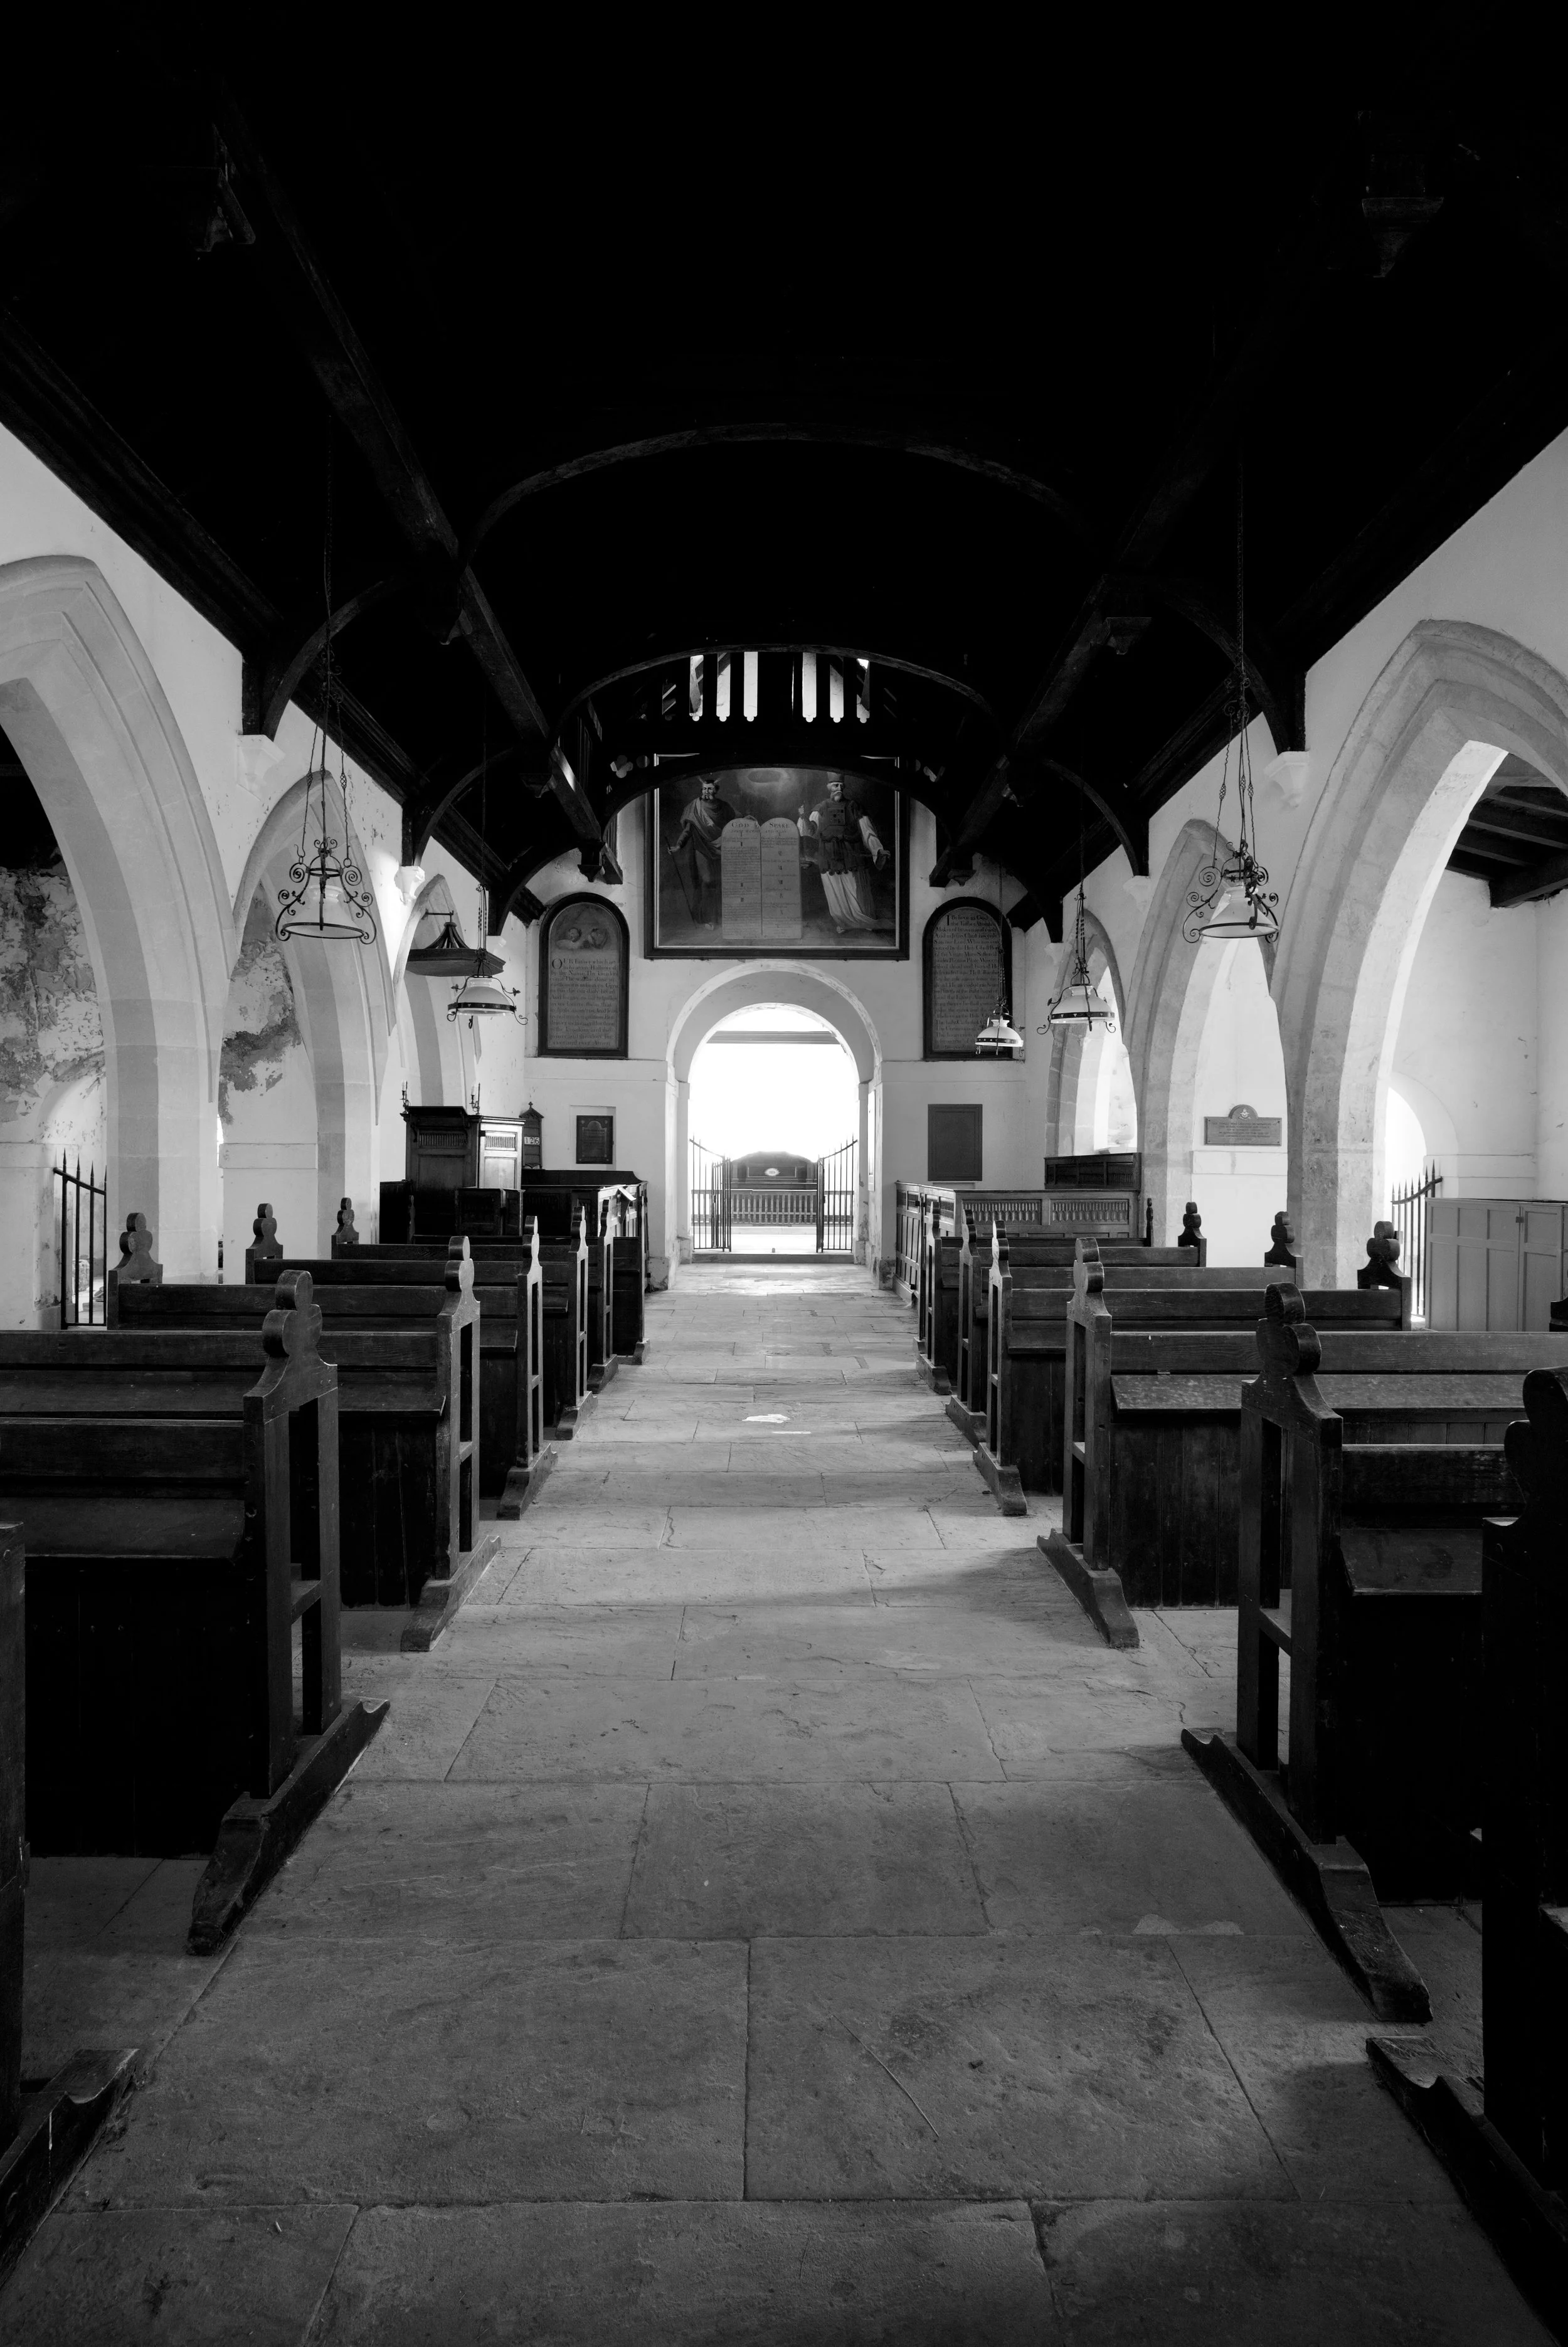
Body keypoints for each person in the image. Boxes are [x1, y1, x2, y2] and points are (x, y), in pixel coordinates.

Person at [798, 776, 892, 934]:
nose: (839, 788)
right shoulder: (820, 808)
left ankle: (865, 921)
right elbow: (810, 832)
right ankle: (844, 922)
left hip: (852, 855)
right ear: (829, 787)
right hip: (828, 856)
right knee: (835, 894)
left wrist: (878, 849)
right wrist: (803, 818)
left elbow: (868, 832)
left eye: (842, 785)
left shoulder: (855, 807)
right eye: (835, 785)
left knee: (858, 893)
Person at [670, 776, 740, 930]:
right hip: (701, 848)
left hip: (722, 848)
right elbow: (688, 831)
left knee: (722, 882)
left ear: (715, 790)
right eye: (704, 789)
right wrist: (679, 846)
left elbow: (736, 823)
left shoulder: (724, 807)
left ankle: (722, 917)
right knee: (707, 881)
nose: (706, 791)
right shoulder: (695, 808)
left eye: (709, 788)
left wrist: (747, 821)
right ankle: (705, 918)